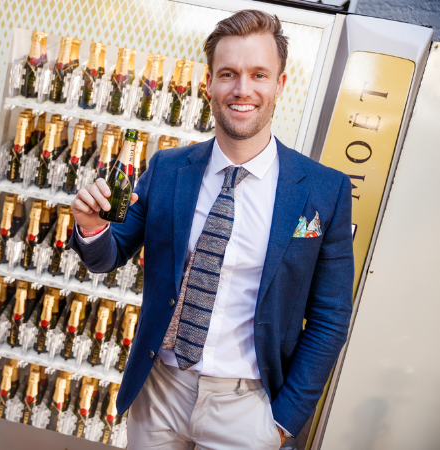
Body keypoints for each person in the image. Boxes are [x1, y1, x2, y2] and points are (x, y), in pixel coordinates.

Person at [69, 9, 353, 450]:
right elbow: (110, 256)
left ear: (280, 85)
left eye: (259, 74)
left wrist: (283, 424)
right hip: (160, 391)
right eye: (228, 74)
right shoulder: (167, 169)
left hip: (248, 407)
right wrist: (91, 229)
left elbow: (330, 318)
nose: (242, 89)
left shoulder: (323, 190)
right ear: (209, 83)